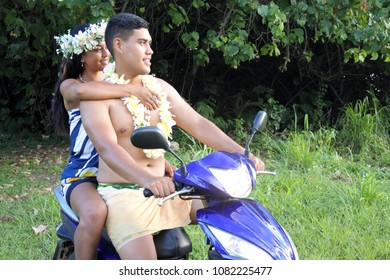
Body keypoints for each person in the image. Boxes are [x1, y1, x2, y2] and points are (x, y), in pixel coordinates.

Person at [79, 13, 265, 260]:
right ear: (119, 45)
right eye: (142, 43)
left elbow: (198, 124)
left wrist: (242, 153)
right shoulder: (98, 97)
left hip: (171, 190)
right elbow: (107, 148)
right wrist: (147, 179)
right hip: (124, 194)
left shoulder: (159, 88)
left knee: (230, 215)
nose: (150, 51)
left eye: (150, 44)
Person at [52, 20, 174, 259]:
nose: (105, 53)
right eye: (97, 49)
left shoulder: (117, 83)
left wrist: (160, 162)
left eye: (105, 47)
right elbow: (81, 93)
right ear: (81, 57)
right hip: (84, 174)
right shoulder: (73, 85)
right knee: (95, 212)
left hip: (119, 169)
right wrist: (132, 91)